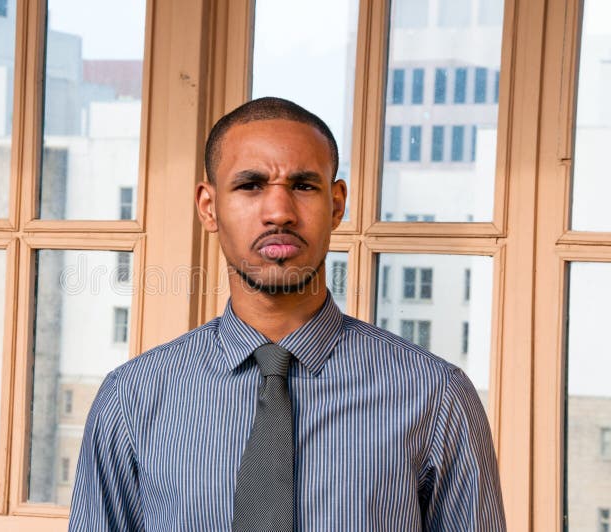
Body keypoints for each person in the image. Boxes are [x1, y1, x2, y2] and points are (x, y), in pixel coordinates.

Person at [69, 97, 506, 531]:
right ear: (209, 206)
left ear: (336, 205)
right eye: (250, 185)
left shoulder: (435, 397)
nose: (279, 212)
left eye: (303, 185)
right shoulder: (131, 399)